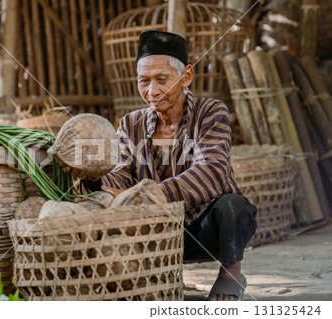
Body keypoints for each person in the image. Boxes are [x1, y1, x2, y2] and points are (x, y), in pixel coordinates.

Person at [64, 30, 257, 301]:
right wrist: (96, 180)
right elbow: (120, 172)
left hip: (202, 233)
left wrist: (156, 194)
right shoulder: (130, 124)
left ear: (186, 76)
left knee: (236, 207)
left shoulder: (211, 112)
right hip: (154, 232)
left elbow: (212, 171)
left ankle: (231, 272)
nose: (152, 91)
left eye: (162, 80)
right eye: (144, 81)